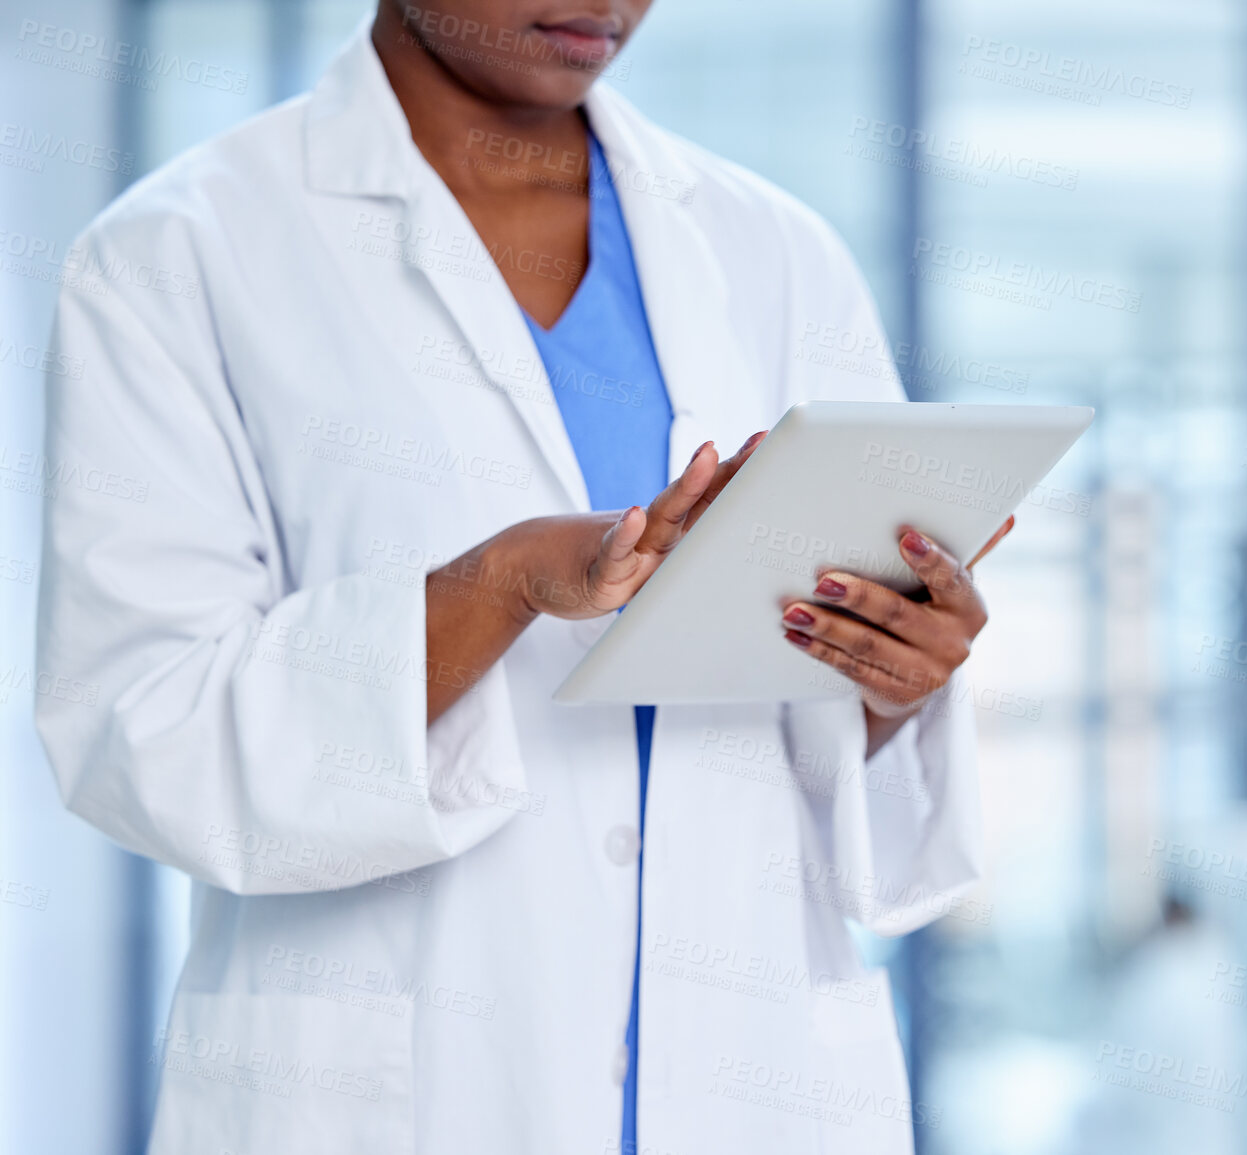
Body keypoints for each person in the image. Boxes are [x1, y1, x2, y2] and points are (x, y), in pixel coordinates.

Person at [34, 3, 1009, 1152]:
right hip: (397, 1097)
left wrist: (899, 679)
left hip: (755, 1087)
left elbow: (833, 752)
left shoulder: (773, 251)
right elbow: (144, 733)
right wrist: (498, 587)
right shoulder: (179, 254)